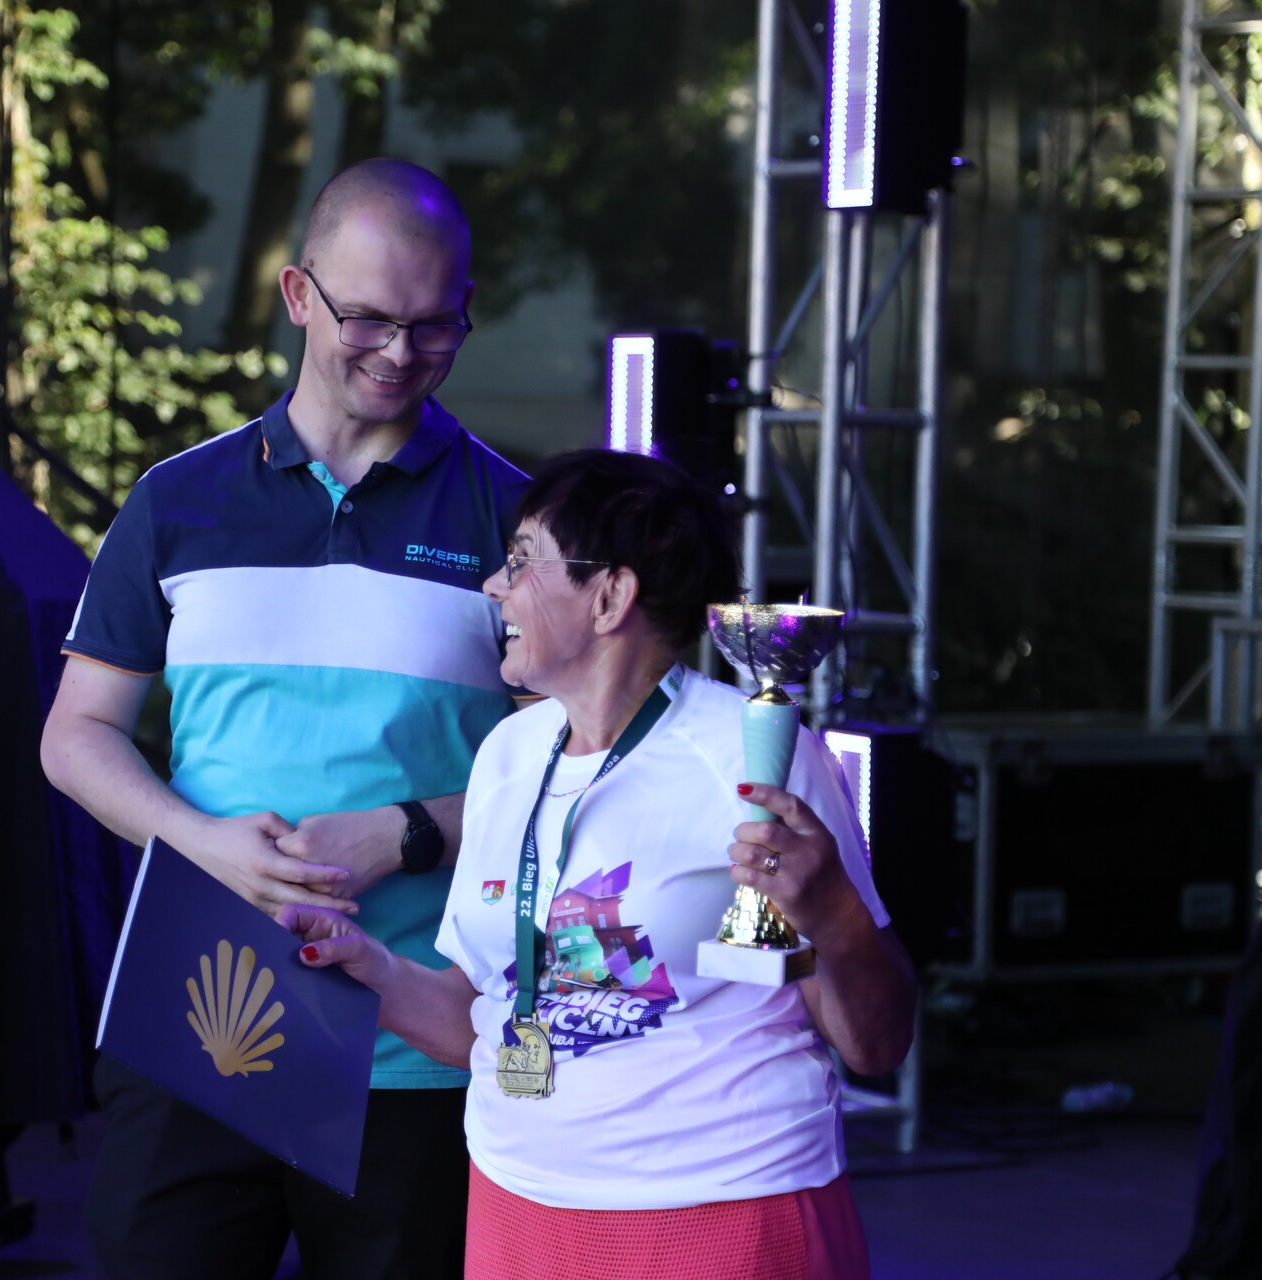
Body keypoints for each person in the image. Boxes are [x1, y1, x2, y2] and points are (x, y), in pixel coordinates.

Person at [40, 158, 527, 1279]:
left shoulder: (517, 519)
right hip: (201, 1014)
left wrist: (406, 830)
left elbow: (573, 775)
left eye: (434, 325)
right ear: (299, 295)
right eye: (369, 319)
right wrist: (202, 842)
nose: (400, 352)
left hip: (418, 1034)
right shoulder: (176, 499)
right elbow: (75, 735)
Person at [283, 449, 917, 1280]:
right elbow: (484, 1019)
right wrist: (365, 965)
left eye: (522, 561)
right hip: (516, 1205)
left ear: (610, 596)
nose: (494, 586)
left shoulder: (752, 752)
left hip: (724, 1211)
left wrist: (833, 915)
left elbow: (877, 1045)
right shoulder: (508, 754)